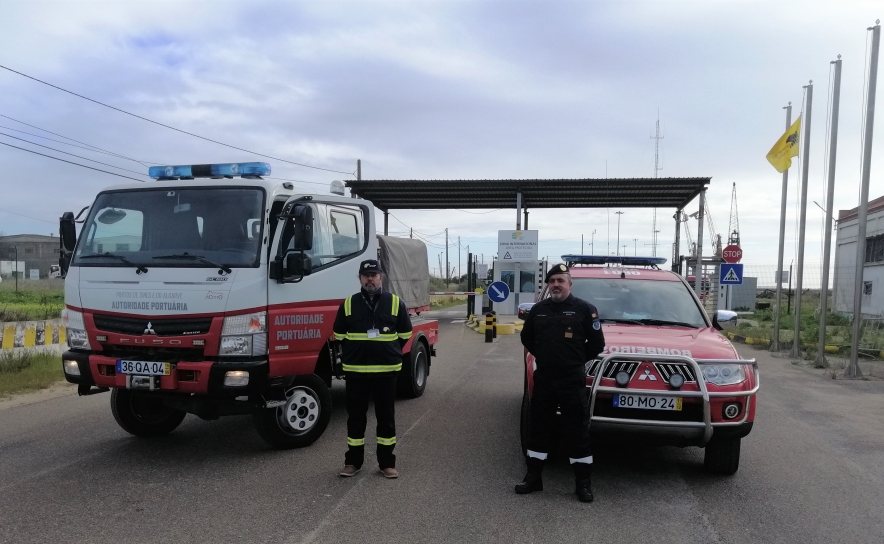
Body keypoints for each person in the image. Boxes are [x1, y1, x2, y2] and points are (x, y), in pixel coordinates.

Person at [517, 263, 606, 502]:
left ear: (569, 284)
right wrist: (546, 358)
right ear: (548, 284)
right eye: (552, 281)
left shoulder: (585, 310)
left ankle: (583, 484)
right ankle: (533, 478)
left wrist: (573, 360)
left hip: (571, 380)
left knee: (577, 432)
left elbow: (597, 345)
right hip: (545, 378)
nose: (556, 284)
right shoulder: (539, 310)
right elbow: (527, 338)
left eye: (560, 280)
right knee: (539, 429)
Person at [333, 259, 413, 479]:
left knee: (385, 417)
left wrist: (389, 351)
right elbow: (338, 335)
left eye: (374, 275)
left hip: (386, 371)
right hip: (356, 372)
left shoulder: (396, 303)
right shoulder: (348, 304)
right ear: (359, 278)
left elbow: (406, 334)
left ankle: (387, 463)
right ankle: (352, 462)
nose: (370, 279)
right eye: (366, 275)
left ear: (381, 278)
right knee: (355, 418)